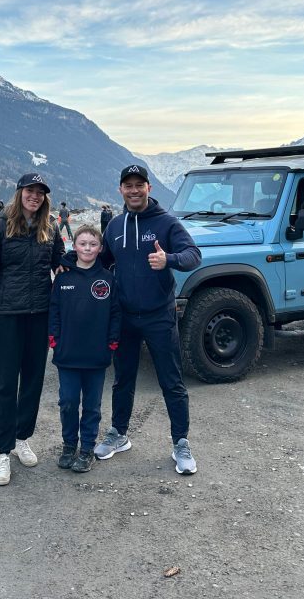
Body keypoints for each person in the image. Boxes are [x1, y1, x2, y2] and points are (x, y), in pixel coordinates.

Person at [93, 164, 203, 475]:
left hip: (159, 315)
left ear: (148, 188)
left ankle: (180, 442)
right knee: (122, 379)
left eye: (139, 184)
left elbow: (194, 255)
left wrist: (169, 258)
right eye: (128, 185)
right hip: (125, 316)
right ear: (121, 190)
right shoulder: (114, 226)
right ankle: (118, 434)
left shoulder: (167, 223)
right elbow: (102, 262)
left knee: (171, 381)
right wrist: (71, 268)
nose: (134, 190)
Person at [0, 173, 65, 486]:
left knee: (32, 381)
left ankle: (21, 438)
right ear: (19, 193)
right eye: (30, 190)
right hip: (6, 316)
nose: (35, 196)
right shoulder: (1, 227)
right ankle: (1, 451)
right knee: (3, 384)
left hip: (39, 315)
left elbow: (60, 263)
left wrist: (88, 259)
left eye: (40, 192)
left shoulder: (50, 227)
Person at [49, 225, 121, 473]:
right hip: (67, 353)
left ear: (100, 248)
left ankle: (87, 448)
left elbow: (115, 313)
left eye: (92, 244)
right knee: (68, 402)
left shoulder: (107, 279)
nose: (87, 248)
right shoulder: (63, 277)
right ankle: (69, 445)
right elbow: (54, 310)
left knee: (92, 406)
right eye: (82, 244)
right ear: (74, 246)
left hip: (96, 354)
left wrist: (112, 340)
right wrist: (53, 337)